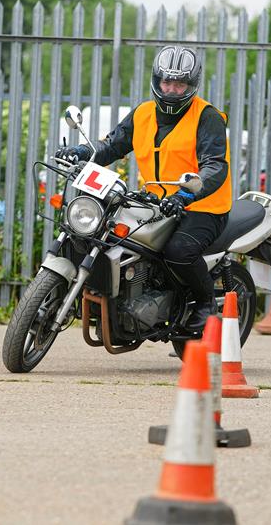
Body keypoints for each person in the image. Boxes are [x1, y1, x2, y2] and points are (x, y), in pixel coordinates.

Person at [56, 45, 232, 332]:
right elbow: (112, 146)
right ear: (156, 80)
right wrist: (81, 152)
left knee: (179, 251)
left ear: (192, 85)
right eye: (167, 82)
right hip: (154, 204)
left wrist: (186, 194)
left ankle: (205, 304)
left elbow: (214, 166)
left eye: (180, 84)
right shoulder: (143, 113)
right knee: (107, 237)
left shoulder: (207, 117)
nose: (172, 90)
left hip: (202, 206)